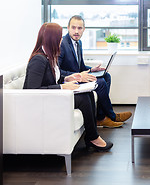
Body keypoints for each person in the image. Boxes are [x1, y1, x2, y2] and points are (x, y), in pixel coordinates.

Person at [23, 22, 113, 152]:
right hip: (42, 102)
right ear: (52, 39)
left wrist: (67, 78)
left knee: (87, 94)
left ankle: (92, 137)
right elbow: (33, 91)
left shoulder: (49, 56)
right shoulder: (38, 60)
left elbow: (51, 79)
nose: (61, 41)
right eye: (59, 38)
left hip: (50, 97)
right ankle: (93, 138)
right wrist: (62, 87)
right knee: (83, 98)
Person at [59, 15, 132, 128]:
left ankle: (101, 117)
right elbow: (58, 71)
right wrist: (77, 76)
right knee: (101, 83)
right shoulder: (63, 44)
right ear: (68, 28)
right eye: (73, 28)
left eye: (80, 28)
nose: (76, 31)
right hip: (70, 81)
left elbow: (80, 66)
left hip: (79, 76)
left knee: (106, 76)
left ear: (84, 29)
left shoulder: (78, 43)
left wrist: (92, 70)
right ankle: (111, 116)